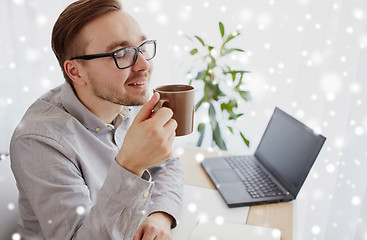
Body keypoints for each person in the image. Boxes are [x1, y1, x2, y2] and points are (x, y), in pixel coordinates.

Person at [10, 0, 184, 239]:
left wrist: (161, 216)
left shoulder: (128, 97)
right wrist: (130, 167)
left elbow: (167, 164)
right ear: (75, 72)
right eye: (121, 54)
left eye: (142, 47)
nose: (144, 66)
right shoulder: (38, 141)